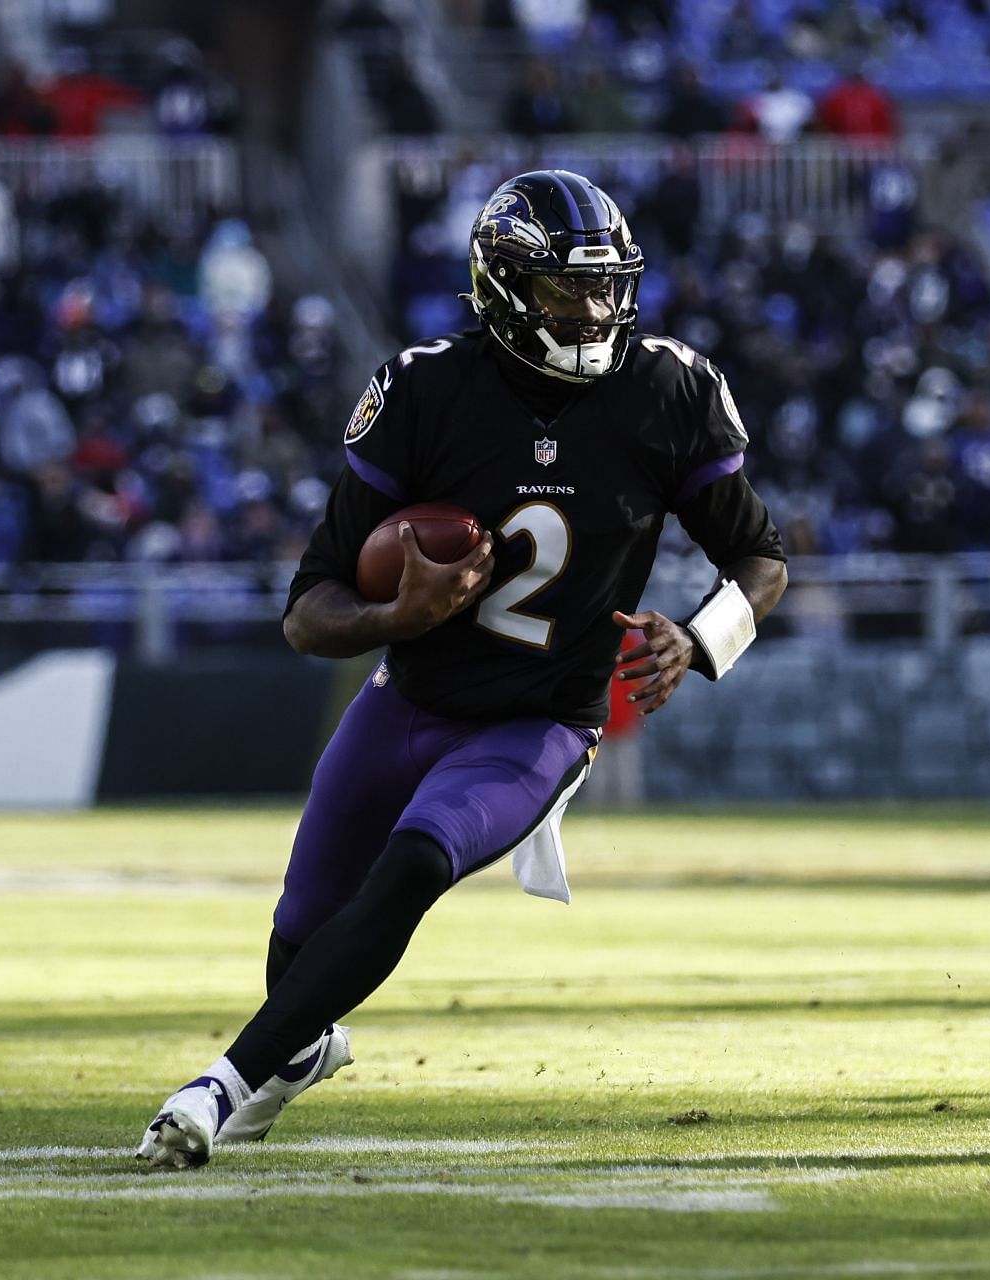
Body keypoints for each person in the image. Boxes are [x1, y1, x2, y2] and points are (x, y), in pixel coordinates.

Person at [137, 170, 789, 1167]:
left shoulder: (670, 388)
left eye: (608, 288)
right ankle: (296, 1051)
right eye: (569, 289)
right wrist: (396, 612)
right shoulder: (425, 389)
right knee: (300, 939)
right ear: (504, 288)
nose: (595, 310)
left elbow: (762, 557)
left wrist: (701, 638)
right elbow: (308, 611)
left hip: (538, 722)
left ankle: (215, 1088)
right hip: (409, 699)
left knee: (410, 867)